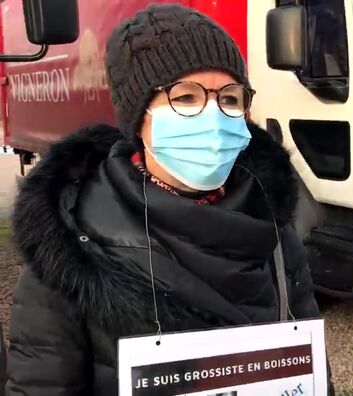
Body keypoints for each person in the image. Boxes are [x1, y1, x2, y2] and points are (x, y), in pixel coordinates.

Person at [5, 4, 332, 395]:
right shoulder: (72, 247)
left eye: (229, 99)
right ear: (138, 119)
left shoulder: (274, 229)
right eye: (186, 97)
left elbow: (309, 374)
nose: (213, 117)